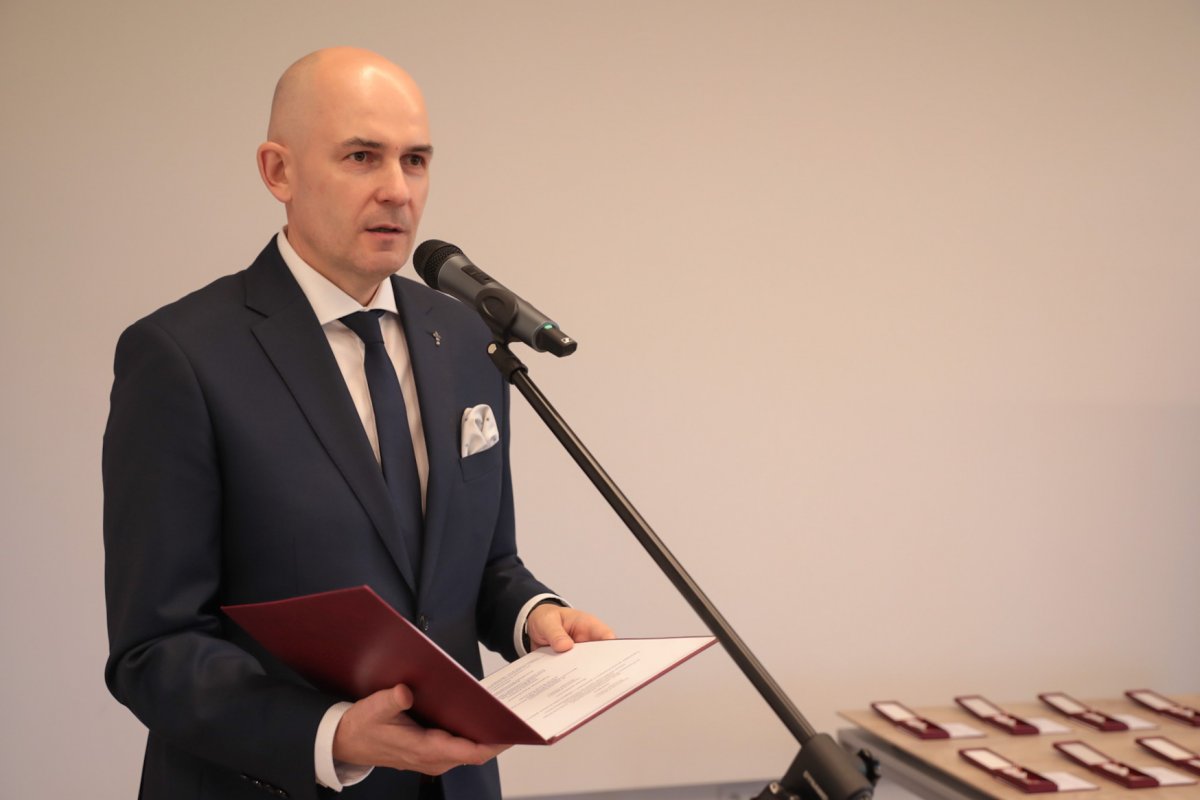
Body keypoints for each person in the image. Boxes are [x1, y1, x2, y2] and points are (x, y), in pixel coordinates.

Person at [103, 47, 613, 800]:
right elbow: (155, 648)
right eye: (362, 157)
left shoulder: (464, 337)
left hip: (457, 783)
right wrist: (330, 734)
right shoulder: (181, 356)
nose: (398, 190)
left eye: (416, 160)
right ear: (278, 172)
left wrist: (533, 616)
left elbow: (481, 565)